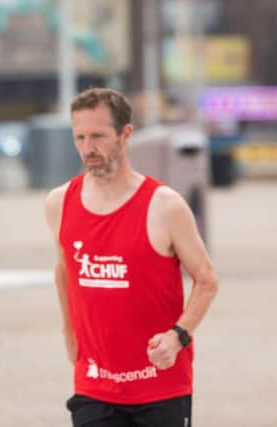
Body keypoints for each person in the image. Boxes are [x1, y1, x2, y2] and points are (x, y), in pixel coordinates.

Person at [44, 88, 218, 427]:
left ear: (125, 134)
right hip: (95, 385)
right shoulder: (59, 202)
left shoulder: (165, 206)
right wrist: (69, 332)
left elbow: (207, 280)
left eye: (98, 136)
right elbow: (65, 269)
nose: (88, 147)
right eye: (79, 137)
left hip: (160, 386)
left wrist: (178, 336)